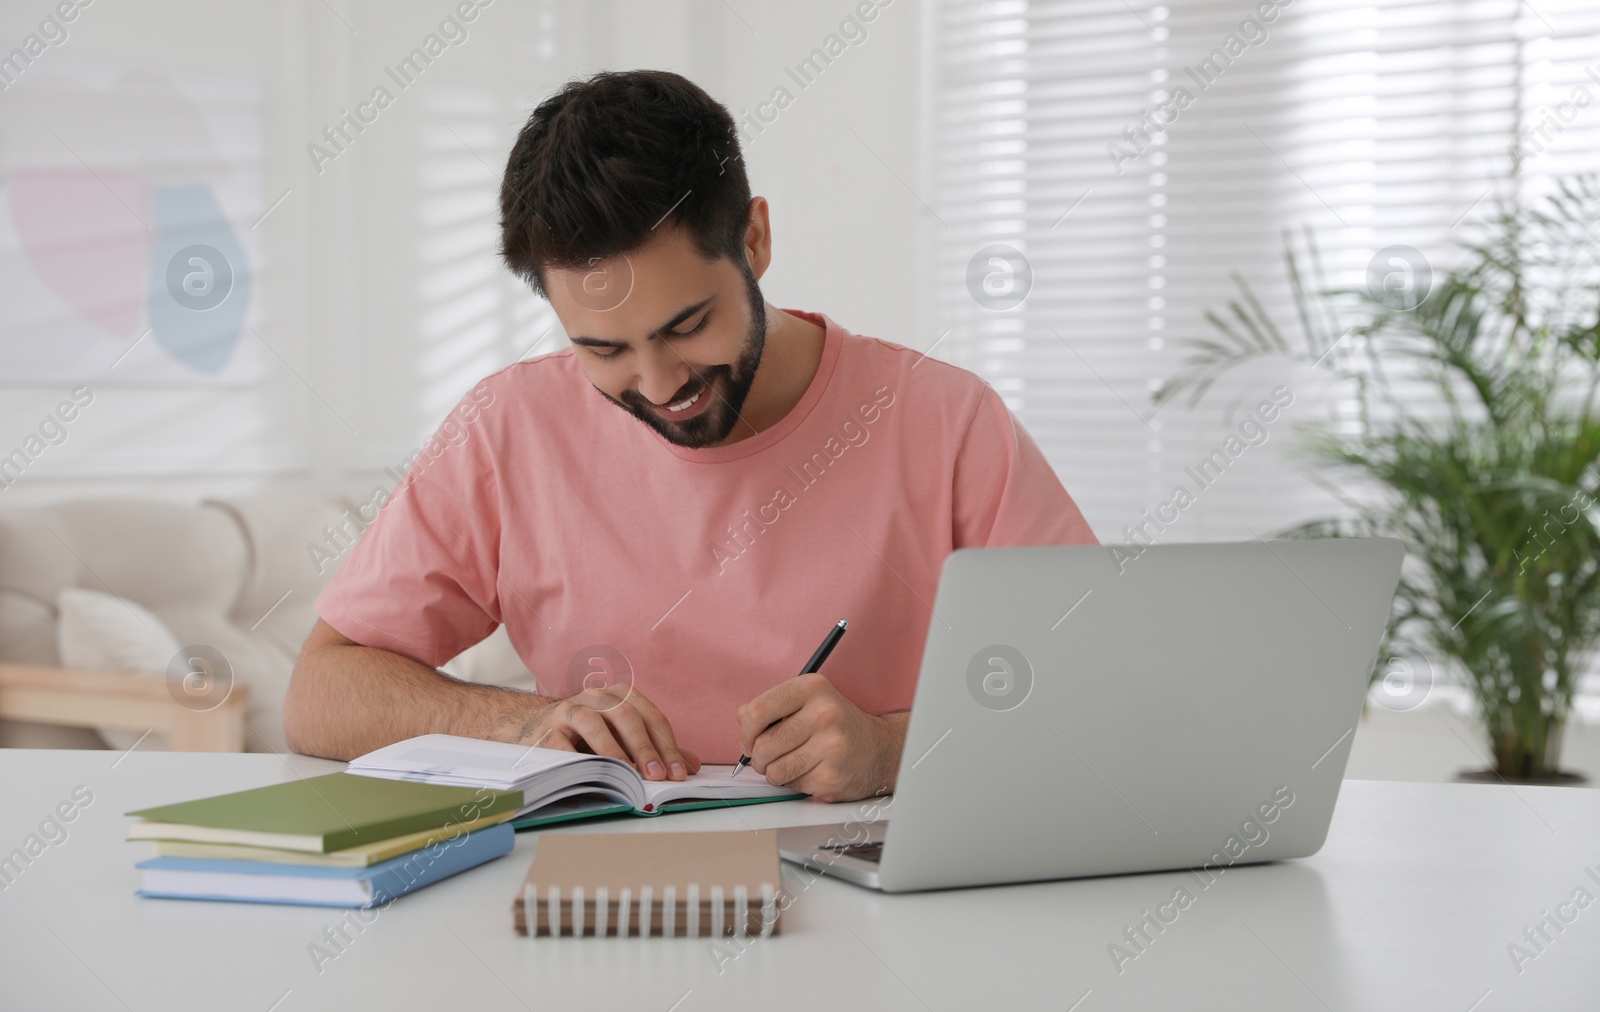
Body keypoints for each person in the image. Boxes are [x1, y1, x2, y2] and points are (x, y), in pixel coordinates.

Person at [283, 70, 1096, 802]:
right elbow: (320, 690)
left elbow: (1098, 687)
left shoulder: (943, 419)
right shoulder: (505, 428)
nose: (661, 383)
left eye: (687, 325)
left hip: (882, 881)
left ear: (754, 240)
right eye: (604, 350)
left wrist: (895, 749)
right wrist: (518, 725)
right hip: (605, 899)